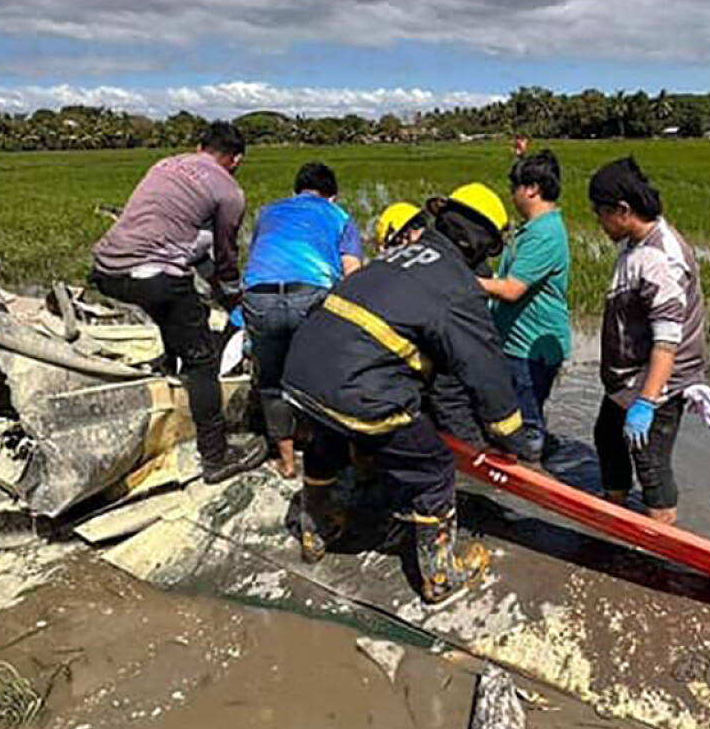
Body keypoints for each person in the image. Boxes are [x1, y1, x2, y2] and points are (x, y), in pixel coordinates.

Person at [281, 184, 535, 604]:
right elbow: (483, 369)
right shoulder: (457, 285)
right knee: (433, 464)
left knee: (328, 439)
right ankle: (438, 577)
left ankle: (315, 532)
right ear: (478, 243)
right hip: (357, 389)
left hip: (301, 374)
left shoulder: (400, 256)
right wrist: (511, 437)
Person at [90, 120, 268, 483]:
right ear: (236, 160)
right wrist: (235, 297)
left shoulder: (165, 165)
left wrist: (218, 291)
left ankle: (169, 371)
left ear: (201, 148)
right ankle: (216, 457)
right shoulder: (229, 191)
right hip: (156, 277)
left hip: (106, 271)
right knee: (202, 360)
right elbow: (225, 256)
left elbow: (196, 252)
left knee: (181, 312)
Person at [588, 157, 706, 527]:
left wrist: (645, 402)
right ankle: (615, 512)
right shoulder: (636, 242)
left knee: (650, 463)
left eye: (600, 213)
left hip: (657, 382)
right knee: (608, 437)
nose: (598, 221)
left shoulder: (660, 258)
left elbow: (667, 343)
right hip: (629, 377)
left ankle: (662, 536)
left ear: (623, 211)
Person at [241, 161, 363, 479]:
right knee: (318, 378)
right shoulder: (339, 217)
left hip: (260, 297)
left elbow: (260, 258)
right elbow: (353, 275)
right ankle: (324, 455)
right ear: (332, 196)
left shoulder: (268, 212)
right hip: (310, 296)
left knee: (270, 382)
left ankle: (286, 463)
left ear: (294, 192)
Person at [479, 150, 570, 462]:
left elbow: (512, 289)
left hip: (531, 348)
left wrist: (463, 281)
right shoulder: (531, 229)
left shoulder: (545, 233)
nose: (511, 194)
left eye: (514, 187)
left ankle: (531, 478)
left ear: (531, 188)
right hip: (519, 344)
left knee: (527, 430)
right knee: (518, 415)